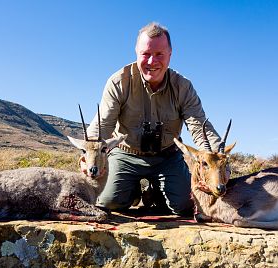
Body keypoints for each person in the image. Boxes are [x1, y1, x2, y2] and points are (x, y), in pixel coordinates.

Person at [86, 22, 221, 215]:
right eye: (146, 54)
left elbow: (200, 128)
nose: (152, 61)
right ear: (136, 53)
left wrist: (216, 155)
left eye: (159, 54)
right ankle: (131, 191)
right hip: (126, 154)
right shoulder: (118, 82)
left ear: (170, 55)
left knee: (185, 206)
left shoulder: (183, 87)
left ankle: (156, 192)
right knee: (109, 202)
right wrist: (89, 156)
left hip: (167, 157)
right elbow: (102, 126)